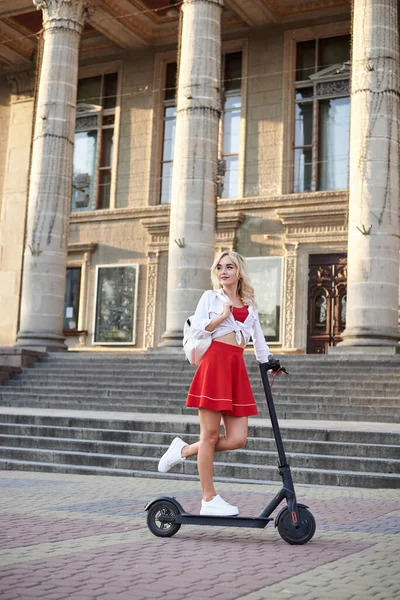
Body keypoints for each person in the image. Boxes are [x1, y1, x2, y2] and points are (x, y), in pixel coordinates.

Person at [157, 250, 276, 517]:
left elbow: (258, 342)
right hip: (214, 365)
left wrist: (270, 362)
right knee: (209, 436)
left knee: (237, 438)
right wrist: (222, 316)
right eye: (220, 267)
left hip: (236, 368)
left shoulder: (250, 304)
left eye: (230, 267)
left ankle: (184, 450)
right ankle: (208, 498)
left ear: (239, 272)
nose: (224, 271)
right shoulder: (210, 297)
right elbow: (198, 330)